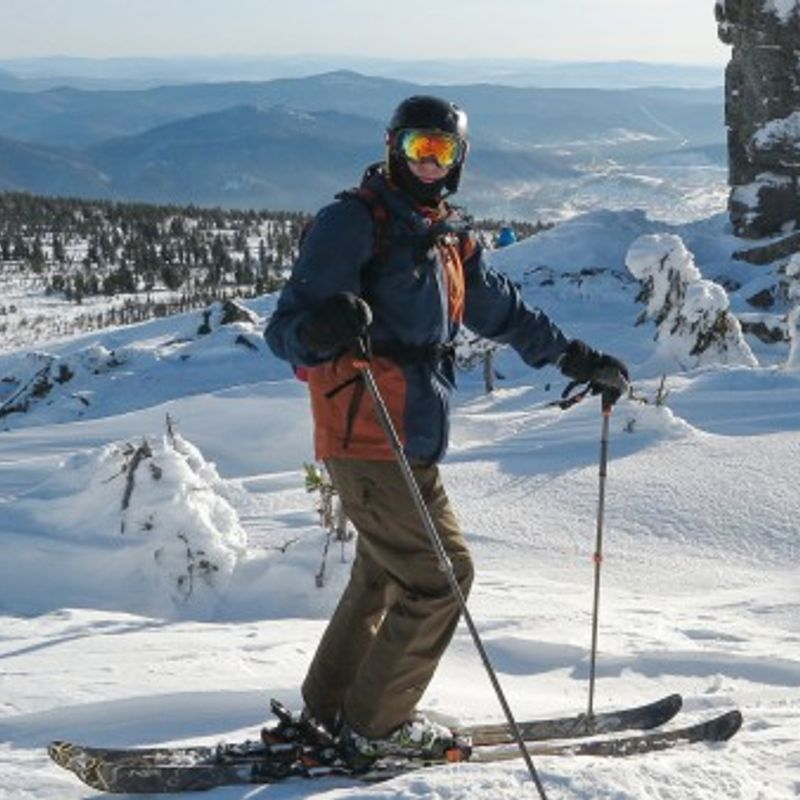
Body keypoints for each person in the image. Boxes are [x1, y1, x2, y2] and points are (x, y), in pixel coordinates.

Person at [264, 95, 628, 760]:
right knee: (442, 576)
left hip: (409, 436)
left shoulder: (446, 238)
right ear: (391, 147)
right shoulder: (353, 223)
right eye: (415, 149)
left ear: (459, 159)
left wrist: (578, 358)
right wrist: (321, 328)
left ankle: (335, 709)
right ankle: (376, 729)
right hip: (366, 431)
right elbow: (284, 332)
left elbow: (507, 315)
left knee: (383, 575)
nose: (428, 164)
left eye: (442, 151)